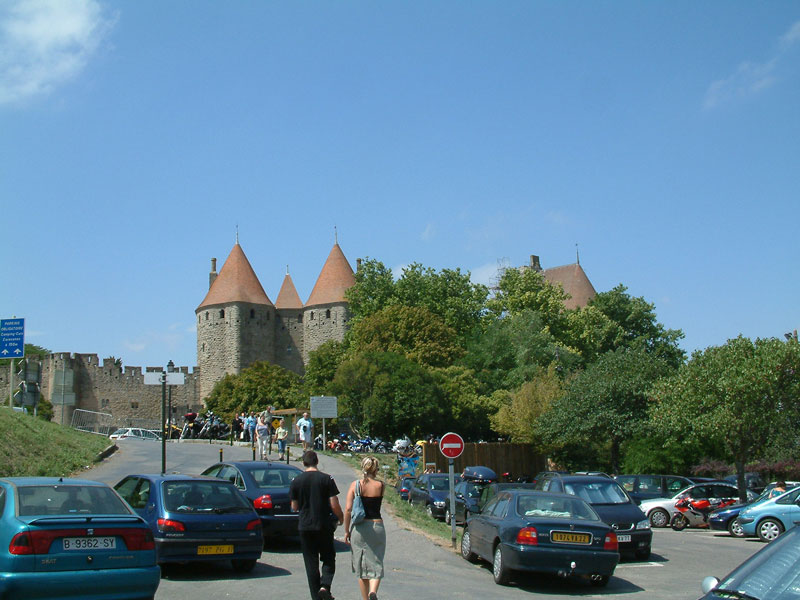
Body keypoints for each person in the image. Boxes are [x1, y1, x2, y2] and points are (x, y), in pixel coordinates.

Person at [290, 451, 344, 600]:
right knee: (328, 557)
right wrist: (341, 518)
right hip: (323, 524)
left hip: (305, 525)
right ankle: (325, 586)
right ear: (317, 461)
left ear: (304, 463)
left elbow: (294, 506)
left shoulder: (296, 481)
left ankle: (316, 597)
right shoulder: (327, 479)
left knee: (311, 562)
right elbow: (334, 503)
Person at [344, 456, 386, 600]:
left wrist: (346, 530)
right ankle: (373, 592)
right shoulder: (381, 486)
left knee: (361, 566)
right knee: (376, 560)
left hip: (360, 527)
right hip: (377, 525)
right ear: (376, 469)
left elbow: (348, 509)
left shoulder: (356, 485)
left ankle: (365, 598)